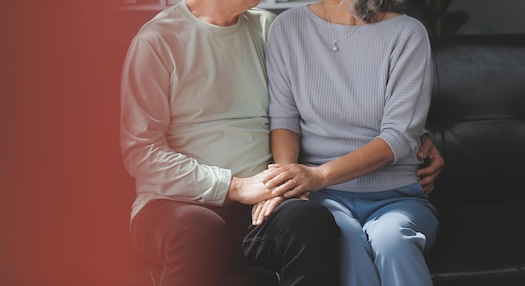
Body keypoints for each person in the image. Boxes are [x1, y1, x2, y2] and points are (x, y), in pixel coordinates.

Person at [120, 0, 444, 285]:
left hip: (260, 202)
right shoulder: (157, 41)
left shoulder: (266, 27)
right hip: (180, 203)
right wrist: (232, 186)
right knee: (198, 230)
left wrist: (418, 133)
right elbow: (141, 153)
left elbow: (324, 94)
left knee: (311, 221)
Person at [257, 0, 440, 285]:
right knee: (342, 241)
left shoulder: (408, 33)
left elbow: (400, 135)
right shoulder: (288, 27)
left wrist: (318, 175)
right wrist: (288, 179)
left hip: (395, 195)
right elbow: (285, 120)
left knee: (393, 242)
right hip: (323, 197)